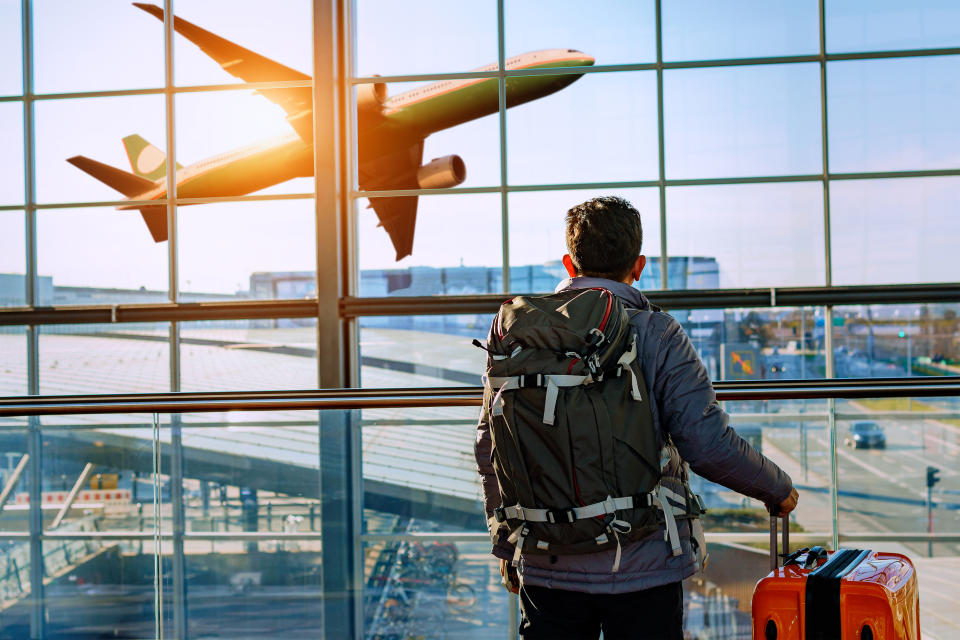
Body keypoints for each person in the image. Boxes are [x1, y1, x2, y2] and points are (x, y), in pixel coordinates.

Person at [474, 196, 799, 639]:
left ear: (569, 264)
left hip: (546, 561)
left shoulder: (517, 332)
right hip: (642, 564)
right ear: (639, 264)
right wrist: (777, 488)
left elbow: (490, 447)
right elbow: (706, 445)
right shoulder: (656, 332)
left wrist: (506, 544)